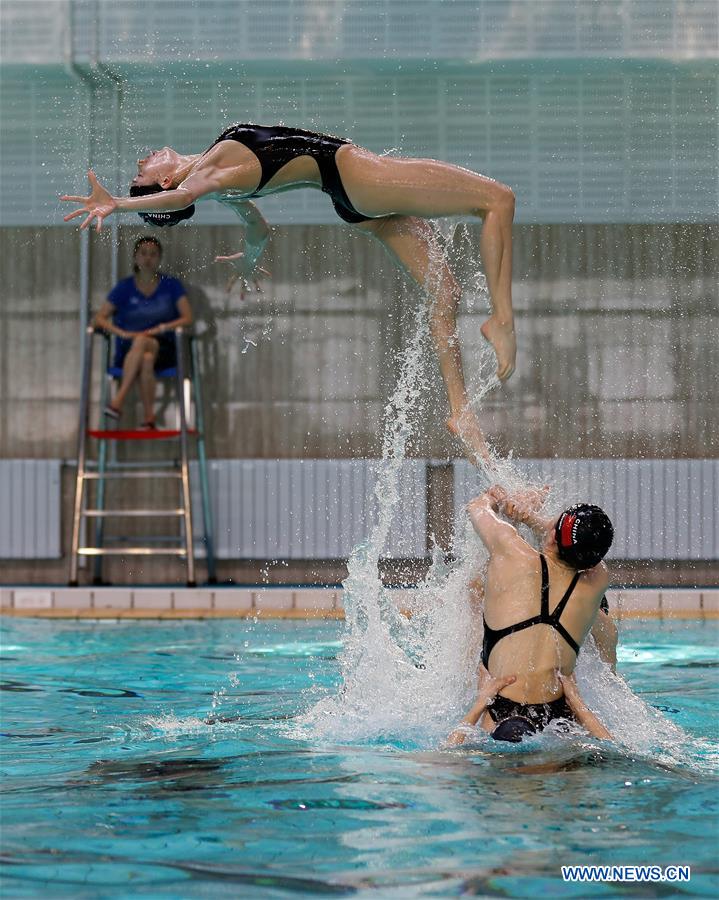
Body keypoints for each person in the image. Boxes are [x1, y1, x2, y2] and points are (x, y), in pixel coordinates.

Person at [61, 123, 518, 465]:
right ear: (162, 184)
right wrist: (118, 204)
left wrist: (248, 259)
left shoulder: (219, 179)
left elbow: (259, 226)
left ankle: (462, 412)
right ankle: (501, 320)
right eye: (141, 174)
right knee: (497, 199)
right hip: (356, 176)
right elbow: (182, 200)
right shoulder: (203, 180)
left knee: (446, 292)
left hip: (353, 202)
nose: (141, 162)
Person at [447, 486, 615, 745]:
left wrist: (494, 497)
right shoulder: (597, 580)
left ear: (553, 537)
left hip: (499, 702)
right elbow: (578, 556)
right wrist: (530, 519)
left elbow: (476, 508)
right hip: (562, 708)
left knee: (476, 588)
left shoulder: (511, 550)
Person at [93, 236, 193, 429]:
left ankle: (117, 402)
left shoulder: (171, 285)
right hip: (129, 351)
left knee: (145, 344)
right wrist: (121, 333)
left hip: (164, 349)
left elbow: (188, 318)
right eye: (144, 253)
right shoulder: (124, 288)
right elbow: (99, 318)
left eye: (153, 254)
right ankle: (149, 418)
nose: (148, 259)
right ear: (135, 257)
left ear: (160, 258)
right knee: (145, 356)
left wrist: (161, 328)